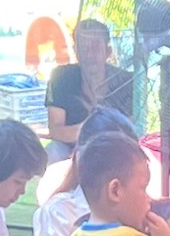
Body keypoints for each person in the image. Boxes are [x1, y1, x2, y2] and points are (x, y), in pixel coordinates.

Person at [40, 17, 119, 147]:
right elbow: (55, 130)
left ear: (108, 51)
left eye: (96, 48)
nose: (89, 55)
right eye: (84, 47)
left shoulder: (124, 80)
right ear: (75, 51)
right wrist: (91, 129)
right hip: (70, 149)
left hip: (115, 147)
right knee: (53, 149)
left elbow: (132, 129)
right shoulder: (60, 77)